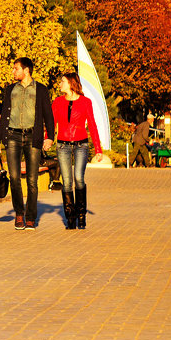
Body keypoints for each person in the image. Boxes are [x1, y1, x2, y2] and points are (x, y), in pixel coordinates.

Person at [0, 57, 56, 231]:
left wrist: (50, 137)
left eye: (16, 69)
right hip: (12, 136)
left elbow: (48, 115)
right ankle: (19, 213)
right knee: (14, 177)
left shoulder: (41, 89)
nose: (13, 72)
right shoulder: (10, 90)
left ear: (26, 70)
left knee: (32, 180)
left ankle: (31, 217)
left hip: (32, 137)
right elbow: (3, 115)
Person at [52, 72, 103, 230]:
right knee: (67, 182)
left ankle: (81, 215)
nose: (60, 84)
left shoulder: (85, 102)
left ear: (71, 84)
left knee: (78, 178)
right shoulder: (57, 102)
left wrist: (98, 149)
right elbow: (52, 122)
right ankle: (70, 217)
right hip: (63, 145)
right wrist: (47, 139)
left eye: (62, 81)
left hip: (81, 144)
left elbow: (93, 125)